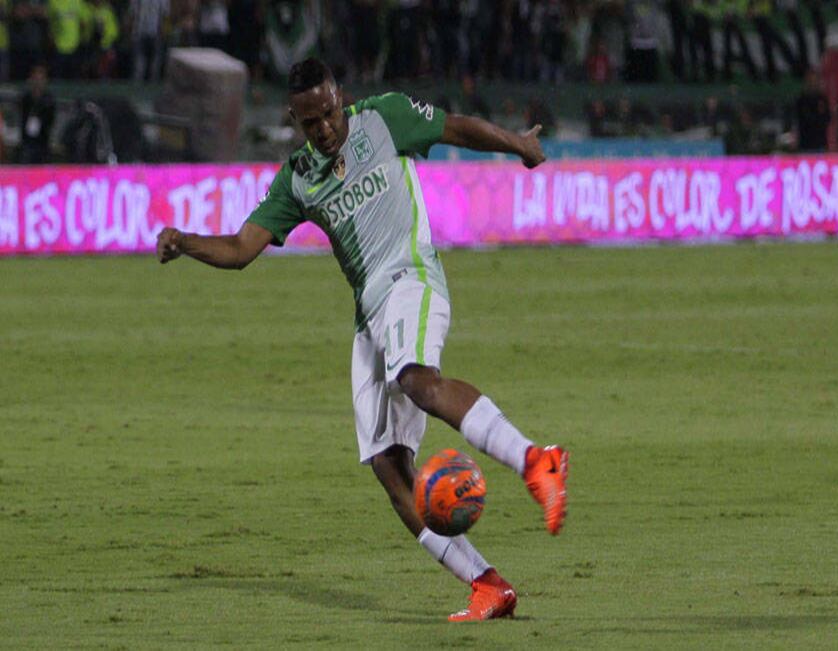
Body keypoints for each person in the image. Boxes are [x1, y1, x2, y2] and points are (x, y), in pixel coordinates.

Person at [155, 57, 569, 621]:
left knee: (419, 381)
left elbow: (454, 127)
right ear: (295, 121)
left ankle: (535, 461)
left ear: (339, 97)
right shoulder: (297, 178)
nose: (323, 128)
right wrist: (186, 242)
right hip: (370, 315)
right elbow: (241, 249)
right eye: (309, 122)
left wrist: (517, 143)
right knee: (389, 466)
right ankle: (487, 586)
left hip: (413, 276)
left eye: (327, 113)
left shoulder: (383, 118)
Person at [19, 64, 55, 164]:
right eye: (35, 78)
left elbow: (50, 121)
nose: (38, 82)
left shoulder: (49, 100)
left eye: (41, 79)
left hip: (43, 143)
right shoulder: (26, 98)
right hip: (27, 143)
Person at [795, 68, 830, 152]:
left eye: (815, 80)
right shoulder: (801, 100)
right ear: (806, 82)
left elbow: (828, 118)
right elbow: (804, 119)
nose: (813, 83)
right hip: (805, 144)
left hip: (820, 144)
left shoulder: (823, 99)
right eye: (810, 80)